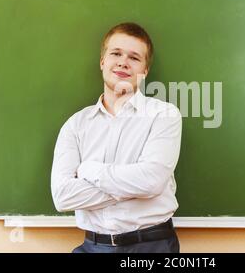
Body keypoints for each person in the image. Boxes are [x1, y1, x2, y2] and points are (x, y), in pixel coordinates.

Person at [51, 22, 182, 253]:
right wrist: (134, 187)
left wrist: (89, 170)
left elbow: (151, 181)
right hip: (92, 247)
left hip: (151, 246)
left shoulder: (163, 115)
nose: (123, 62)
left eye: (134, 57)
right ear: (103, 61)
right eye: (116, 53)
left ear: (145, 71)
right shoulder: (75, 125)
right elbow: (63, 197)